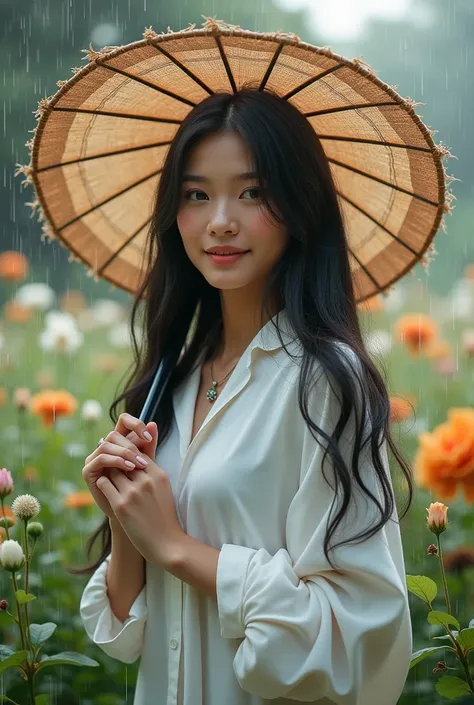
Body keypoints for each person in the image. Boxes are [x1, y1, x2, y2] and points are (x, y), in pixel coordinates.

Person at [76, 87, 414, 705]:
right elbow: (124, 633)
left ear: (299, 206)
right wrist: (127, 518)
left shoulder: (324, 384)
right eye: (196, 194)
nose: (220, 220)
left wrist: (176, 547)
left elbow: (354, 638)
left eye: (252, 192)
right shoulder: (171, 381)